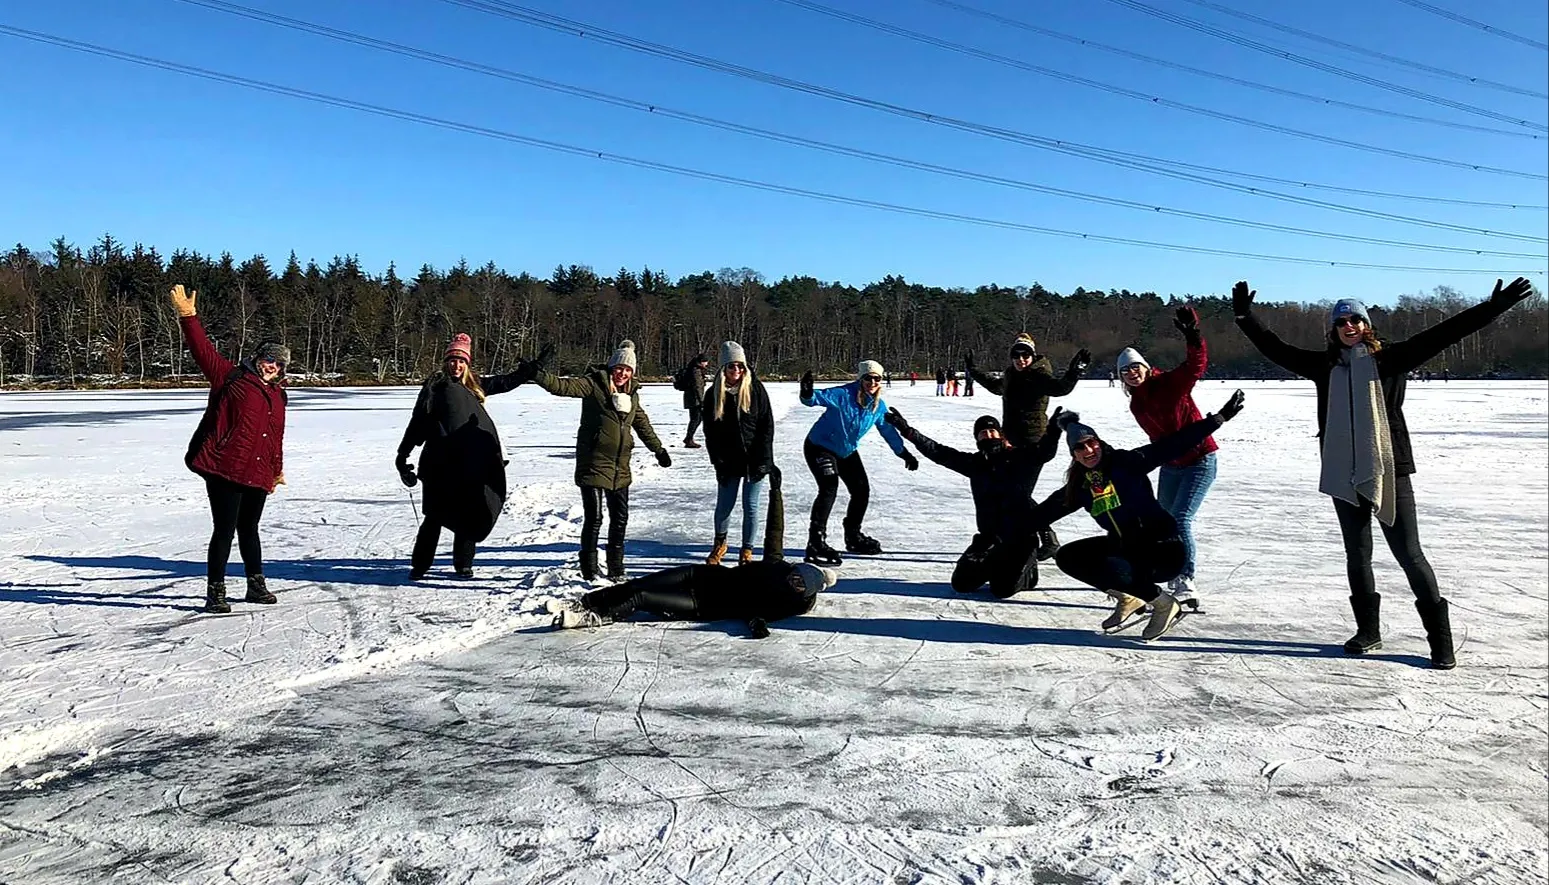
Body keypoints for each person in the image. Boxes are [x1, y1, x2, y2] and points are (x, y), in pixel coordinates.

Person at [1232, 277, 1534, 669]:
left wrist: (1493, 307)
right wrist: (1244, 316)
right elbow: (1274, 347)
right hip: (1343, 471)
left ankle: (1440, 642)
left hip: (1389, 469)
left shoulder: (1391, 359)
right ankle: (1368, 632)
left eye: (1355, 320)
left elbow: (1447, 332)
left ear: (1367, 325)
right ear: (1334, 329)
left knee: (1409, 553)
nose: (1349, 327)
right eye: (1342, 322)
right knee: (1357, 556)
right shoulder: (1324, 366)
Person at [1034, 393, 1245, 641]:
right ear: (1074, 455)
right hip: (1128, 548)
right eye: (1079, 447)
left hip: (1163, 550)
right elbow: (1042, 513)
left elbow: (1172, 444)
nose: (1088, 450)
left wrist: (1217, 419)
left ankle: (1164, 604)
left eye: (1091, 442)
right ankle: (1129, 597)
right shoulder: (1081, 486)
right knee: (1069, 556)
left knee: (1113, 567)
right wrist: (1004, 529)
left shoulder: (1127, 462)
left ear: (1099, 443)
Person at [170, 284, 288, 614]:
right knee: (224, 530)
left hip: (257, 470)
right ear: (258, 359)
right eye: (268, 359)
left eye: (278, 364)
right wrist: (188, 316)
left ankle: (255, 584)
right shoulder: (231, 377)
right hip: (224, 467)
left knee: (250, 529)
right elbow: (203, 351)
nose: (272, 367)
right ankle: (216, 591)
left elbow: (274, 435)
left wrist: (276, 469)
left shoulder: (278, 395)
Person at [395, 335, 551, 580]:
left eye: (461, 361)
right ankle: (421, 565)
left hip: (467, 462)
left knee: (468, 512)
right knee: (434, 516)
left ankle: (463, 563)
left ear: (467, 364)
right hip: (438, 463)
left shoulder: (474, 385)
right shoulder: (435, 387)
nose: (456, 365)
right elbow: (417, 423)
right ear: (446, 362)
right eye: (452, 360)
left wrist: (531, 370)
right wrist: (402, 455)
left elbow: (505, 382)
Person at [885, 408, 1063, 597]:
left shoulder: (1020, 459)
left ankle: (1028, 572)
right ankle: (999, 564)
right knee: (962, 583)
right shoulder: (975, 463)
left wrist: (1053, 431)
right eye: (983, 433)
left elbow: (1044, 453)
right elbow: (937, 452)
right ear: (977, 439)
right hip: (989, 538)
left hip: (1021, 539)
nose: (988, 435)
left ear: (1001, 435)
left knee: (1003, 589)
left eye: (993, 431)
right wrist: (907, 431)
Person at [535, 340, 672, 581]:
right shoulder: (593, 386)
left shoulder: (632, 395)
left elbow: (642, 424)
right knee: (595, 518)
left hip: (620, 467)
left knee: (620, 519)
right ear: (611, 367)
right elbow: (563, 387)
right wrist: (538, 375)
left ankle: (616, 568)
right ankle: (589, 568)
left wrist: (658, 449)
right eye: (619, 368)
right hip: (594, 463)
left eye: (628, 370)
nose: (622, 373)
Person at [1117, 306, 1216, 604]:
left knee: (1182, 518)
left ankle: (1184, 580)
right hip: (1171, 466)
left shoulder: (1170, 384)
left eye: (1136, 368)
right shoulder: (1137, 404)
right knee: (1162, 520)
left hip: (1200, 459)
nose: (1133, 374)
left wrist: (1193, 334)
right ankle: (1161, 569)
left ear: (1146, 368)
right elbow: (1158, 441)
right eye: (1126, 371)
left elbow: (1196, 364)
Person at [967, 333, 1092, 560]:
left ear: (1032, 356)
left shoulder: (1039, 375)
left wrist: (1075, 372)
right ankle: (1031, 535)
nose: (1021, 359)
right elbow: (996, 386)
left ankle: (1047, 536)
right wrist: (974, 371)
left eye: (1025, 355)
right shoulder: (1011, 374)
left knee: (1019, 492)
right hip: (1011, 442)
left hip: (1034, 443)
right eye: (1016, 355)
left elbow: (1060, 388)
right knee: (1014, 491)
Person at [799, 360, 919, 564]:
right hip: (820, 447)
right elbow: (814, 399)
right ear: (860, 378)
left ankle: (853, 535)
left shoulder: (878, 406)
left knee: (861, 490)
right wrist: (807, 392)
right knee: (829, 487)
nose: (872, 382)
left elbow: (888, 432)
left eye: (876, 378)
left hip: (846, 451)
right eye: (868, 378)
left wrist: (903, 453)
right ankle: (816, 540)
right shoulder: (843, 395)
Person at [553, 561, 839, 637]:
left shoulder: (789, 605)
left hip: (703, 605)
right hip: (700, 576)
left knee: (641, 597)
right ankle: (586, 601)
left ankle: (591, 617)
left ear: (806, 592)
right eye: (797, 575)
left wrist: (757, 625)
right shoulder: (778, 568)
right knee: (640, 582)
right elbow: (774, 529)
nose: (794, 581)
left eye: (800, 585)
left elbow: (757, 614)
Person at [702, 341, 775, 565]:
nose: (736, 371)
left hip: (754, 459)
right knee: (725, 505)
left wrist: (764, 460)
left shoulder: (756, 390)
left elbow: (766, 426)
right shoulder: (712, 395)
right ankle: (720, 544)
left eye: (740, 366)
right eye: (731, 366)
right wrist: (718, 461)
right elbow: (710, 433)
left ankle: (747, 550)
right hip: (728, 460)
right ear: (723, 369)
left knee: (751, 507)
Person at [675, 353, 710, 448]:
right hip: (695, 400)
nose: (706, 364)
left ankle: (689, 438)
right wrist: (701, 401)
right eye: (705, 362)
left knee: (696, 419)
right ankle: (688, 439)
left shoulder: (693, 368)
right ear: (701, 362)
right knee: (696, 419)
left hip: (692, 399)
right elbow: (697, 387)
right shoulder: (696, 371)